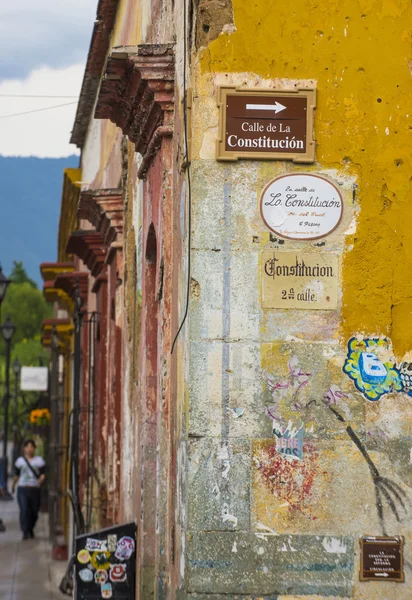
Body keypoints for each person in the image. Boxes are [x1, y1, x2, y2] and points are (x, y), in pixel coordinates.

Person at [12, 439, 46, 540]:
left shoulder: (39, 461)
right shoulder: (19, 461)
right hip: (22, 488)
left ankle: (30, 528)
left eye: (31, 446)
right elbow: (17, 475)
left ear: (34, 448)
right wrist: (13, 485)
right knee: (24, 509)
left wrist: (42, 478)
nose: (29, 449)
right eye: (27, 446)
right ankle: (25, 530)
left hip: (34, 488)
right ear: (24, 448)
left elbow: (43, 474)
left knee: (34, 511)